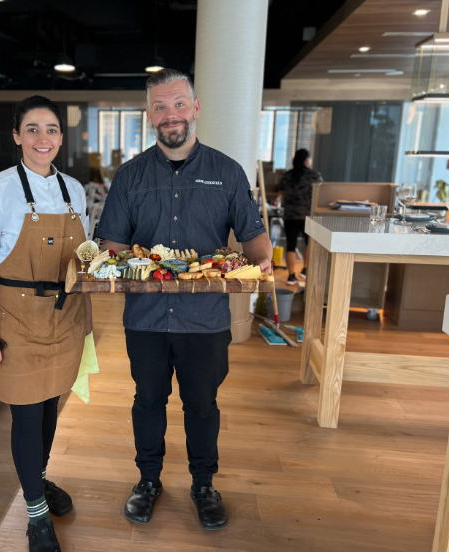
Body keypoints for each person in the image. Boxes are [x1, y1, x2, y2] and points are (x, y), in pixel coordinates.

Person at [96, 69, 272, 531]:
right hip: (146, 318)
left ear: (195, 109)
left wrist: (261, 266)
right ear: (149, 115)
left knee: (202, 405)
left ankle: (203, 485)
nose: (170, 115)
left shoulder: (227, 172)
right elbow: (111, 245)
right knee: (148, 401)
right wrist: (103, 262)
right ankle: (148, 481)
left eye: (178, 105)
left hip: (205, 320)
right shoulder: (130, 177)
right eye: (160, 107)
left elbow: (255, 243)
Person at [0, 95, 92, 552]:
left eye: (52, 129)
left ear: (61, 137)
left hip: (65, 315)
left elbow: (82, 259)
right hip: (13, 317)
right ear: (17, 136)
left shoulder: (75, 190)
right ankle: (36, 516)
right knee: (26, 410)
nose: (44, 138)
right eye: (33, 129)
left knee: (51, 404)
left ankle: (37, 482)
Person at [277, 148, 322, 284]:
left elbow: (282, 192)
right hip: (308, 215)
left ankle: (291, 276)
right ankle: (305, 269)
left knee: (291, 245)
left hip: (291, 215)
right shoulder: (314, 175)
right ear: (306, 160)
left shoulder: (288, 175)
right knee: (309, 243)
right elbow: (320, 194)